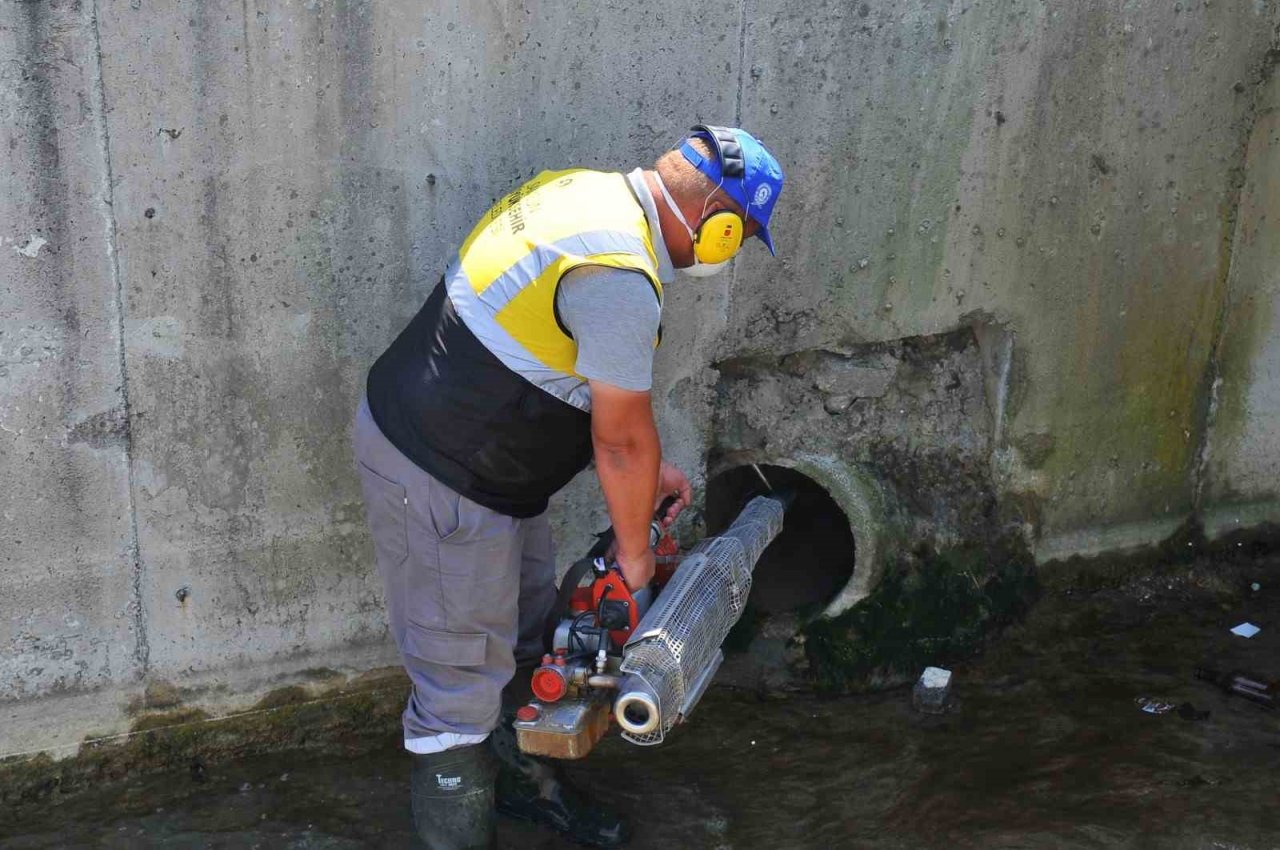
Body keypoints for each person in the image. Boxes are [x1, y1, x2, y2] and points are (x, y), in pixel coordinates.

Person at [352, 125, 784, 849]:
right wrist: (635, 563)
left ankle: (528, 789)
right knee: (456, 691)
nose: (728, 253)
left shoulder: (581, 194)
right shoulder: (619, 279)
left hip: (482, 460)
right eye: (736, 238)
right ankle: (457, 831)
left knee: (526, 640)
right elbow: (619, 440)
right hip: (439, 473)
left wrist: (647, 483)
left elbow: (538, 360)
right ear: (716, 223)